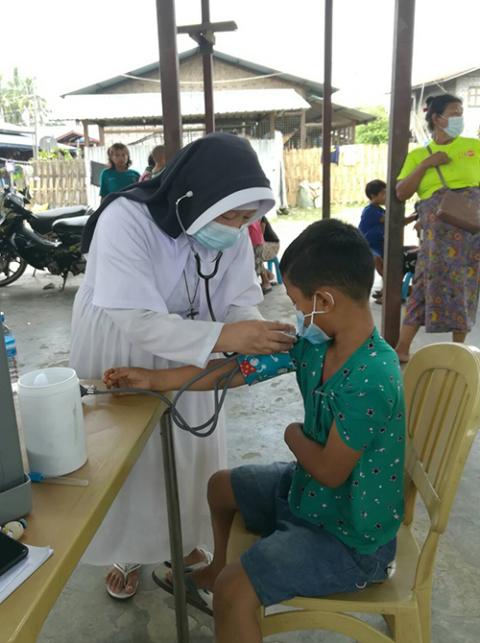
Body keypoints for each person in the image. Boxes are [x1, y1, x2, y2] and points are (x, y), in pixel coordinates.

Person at [104, 219, 405, 642]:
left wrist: (291, 435)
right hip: (313, 497)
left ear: (324, 299)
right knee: (222, 487)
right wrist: (154, 380)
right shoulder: (316, 344)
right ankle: (213, 569)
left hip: (351, 538)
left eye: (301, 306)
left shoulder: (373, 376)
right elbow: (238, 370)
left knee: (234, 591)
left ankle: (226, 586)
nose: (299, 318)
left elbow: (330, 471)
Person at [70, 132, 296, 600]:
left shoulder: (231, 228)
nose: (234, 227)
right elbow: (135, 317)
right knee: (129, 457)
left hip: (196, 343)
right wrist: (228, 337)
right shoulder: (125, 218)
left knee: (188, 451)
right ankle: (129, 549)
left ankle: (182, 540)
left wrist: (252, 332)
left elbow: (239, 300)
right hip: (124, 338)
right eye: (228, 215)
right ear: (192, 195)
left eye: (244, 218)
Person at [395, 94, 480, 363]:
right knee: (424, 282)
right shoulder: (419, 154)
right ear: (437, 118)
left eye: (461, 112)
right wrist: (426, 164)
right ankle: (402, 348)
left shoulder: (474, 147)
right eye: (455, 112)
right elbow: (401, 193)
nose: (460, 117)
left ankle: (459, 349)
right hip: (437, 235)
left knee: (466, 284)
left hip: (470, 231)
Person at [358, 180, 418, 303]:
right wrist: (415, 216)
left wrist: (415, 215)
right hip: (366, 246)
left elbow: (399, 221)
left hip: (380, 246)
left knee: (402, 255)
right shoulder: (370, 211)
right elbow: (395, 220)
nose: (387, 196)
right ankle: (393, 291)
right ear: (373, 196)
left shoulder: (381, 210)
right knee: (380, 263)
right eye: (384, 193)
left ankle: (392, 289)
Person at [248, 219, 271, 294]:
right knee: (257, 264)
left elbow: (262, 226)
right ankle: (264, 283)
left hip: (255, 241)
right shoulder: (253, 213)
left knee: (256, 266)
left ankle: (256, 286)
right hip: (256, 241)